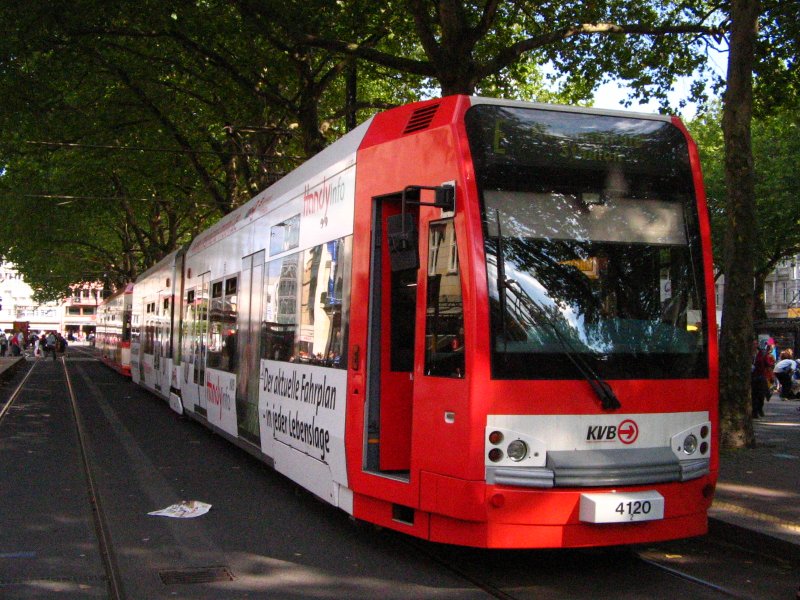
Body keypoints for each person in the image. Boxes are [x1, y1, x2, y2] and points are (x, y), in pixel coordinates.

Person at [751, 340, 773, 418]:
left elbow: (768, 365)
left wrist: (771, 377)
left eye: (756, 344)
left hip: (761, 376)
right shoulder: (746, 354)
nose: (754, 345)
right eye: (753, 344)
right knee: (753, 395)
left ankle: (760, 408)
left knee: (761, 395)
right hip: (751, 377)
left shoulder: (762, 354)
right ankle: (754, 412)